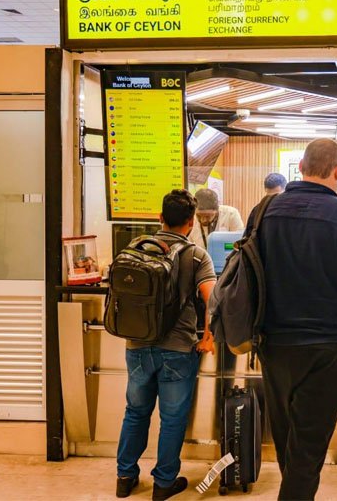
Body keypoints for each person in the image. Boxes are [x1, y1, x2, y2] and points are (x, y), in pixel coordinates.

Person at [258, 138, 337, 500]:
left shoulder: (266, 211)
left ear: (300, 167)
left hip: (274, 347)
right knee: (308, 450)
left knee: (290, 447)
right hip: (326, 348)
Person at [115, 190, 217, 500]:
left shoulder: (136, 248)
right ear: (190, 223)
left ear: (159, 218)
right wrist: (208, 337)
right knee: (172, 418)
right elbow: (211, 299)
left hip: (137, 345)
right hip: (177, 349)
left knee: (135, 411)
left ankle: (125, 477)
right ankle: (163, 483)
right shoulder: (196, 255)